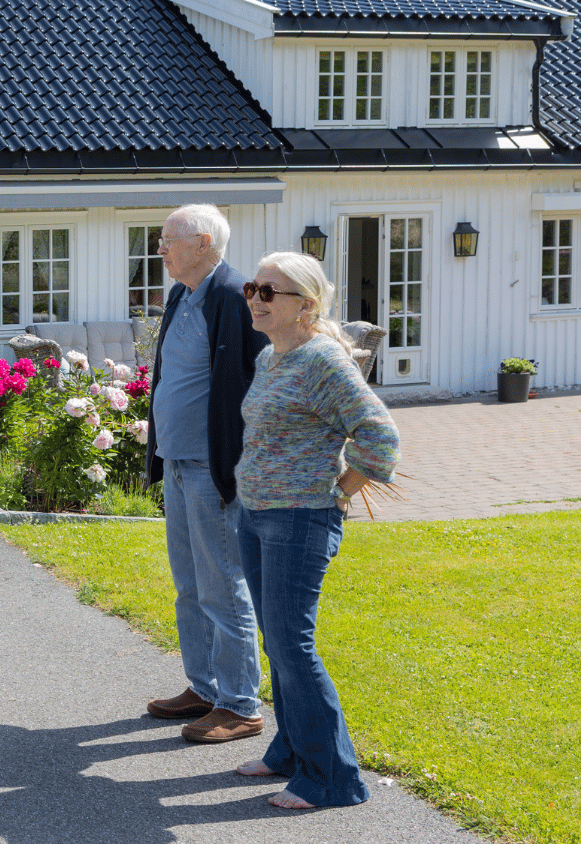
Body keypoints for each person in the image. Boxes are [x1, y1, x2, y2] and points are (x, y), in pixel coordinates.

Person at [232, 251, 400, 809]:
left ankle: (333, 779)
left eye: (269, 291)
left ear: (305, 305)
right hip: (258, 514)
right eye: (253, 288)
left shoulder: (323, 361)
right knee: (277, 642)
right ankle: (291, 750)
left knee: (292, 645)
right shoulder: (273, 356)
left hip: (300, 519)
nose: (255, 299)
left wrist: (341, 490)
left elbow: (379, 435)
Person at [143, 204, 268, 744]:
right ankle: (205, 686)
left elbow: (257, 381)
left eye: (168, 240)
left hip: (213, 467)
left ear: (203, 243)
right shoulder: (181, 294)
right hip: (178, 462)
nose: (160, 250)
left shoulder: (235, 297)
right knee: (190, 585)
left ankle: (239, 705)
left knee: (223, 587)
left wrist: (238, 460)